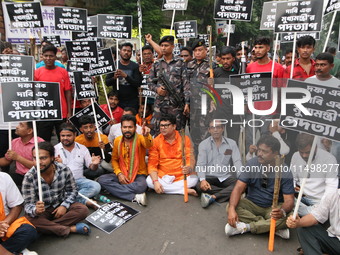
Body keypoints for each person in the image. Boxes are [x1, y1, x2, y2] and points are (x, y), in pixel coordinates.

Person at [226, 135, 294, 239]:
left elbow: (289, 201)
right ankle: (271, 227)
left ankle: (246, 227)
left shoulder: (285, 171)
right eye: (259, 150)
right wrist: (231, 209)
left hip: (272, 208)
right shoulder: (252, 163)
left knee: (290, 217)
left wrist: (282, 211)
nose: (259, 154)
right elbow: (239, 187)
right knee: (231, 206)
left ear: (276, 154)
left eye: (264, 152)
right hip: (252, 204)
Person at [22, 142, 90, 237]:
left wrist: (64, 206)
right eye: (35, 158)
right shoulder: (29, 177)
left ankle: (47, 228)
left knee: (82, 210)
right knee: (29, 218)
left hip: (60, 204)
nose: (39, 162)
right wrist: (36, 210)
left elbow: (72, 190)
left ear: (52, 158)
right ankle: (68, 229)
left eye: (43, 158)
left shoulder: (64, 169)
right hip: (43, 211)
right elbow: (28, 204)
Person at [97, 115, 153, 206]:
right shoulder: (117, 141)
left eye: (130, 127)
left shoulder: (140, 138)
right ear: (121, 128)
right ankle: (134, 197)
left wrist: (146, 135)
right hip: (122, 173)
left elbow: (148, 145)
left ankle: (114, 189)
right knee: (102, 180)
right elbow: (114, 160)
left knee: (141, 186)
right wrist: (119, 174)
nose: (127, 130)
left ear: (135, 128)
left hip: (139, 174)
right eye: (125, 127)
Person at [245, 37, 285, 150]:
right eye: (256, 47)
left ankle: (266, 166)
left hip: (269, 111)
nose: (257, 50)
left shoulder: (278, 68)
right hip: (251, 111)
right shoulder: (249, 67)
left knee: (266, 142)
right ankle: (251, 165)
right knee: (250, 142)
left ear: (268, 48)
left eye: (261, 47)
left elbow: (282, 90)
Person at [146, 114, 198, 195]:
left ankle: (165, 189)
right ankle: (182, 191)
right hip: (163, 175)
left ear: (174, 126)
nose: (163, 128)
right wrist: (156, 181)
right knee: (149, 181)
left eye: (166, 125)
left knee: (194, 179)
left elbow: (190, 157)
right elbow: (152, 164)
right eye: (161, 126)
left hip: (180, 175)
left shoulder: (184, 139)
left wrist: (189, 167)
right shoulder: (156, 141)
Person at [54, 123, 102, 209]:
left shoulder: (82, 148)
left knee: (96, 186)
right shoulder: (54, 150)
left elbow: (91, 168)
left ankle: (69, 200)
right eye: (62, 136)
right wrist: (59, 165)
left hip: (79, 181)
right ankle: (85, 201)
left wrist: (95, 164)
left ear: (75, 135)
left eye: (68, 135)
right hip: (63, 183)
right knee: (56, 192)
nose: (65, 138)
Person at [196, 120, 242, 208]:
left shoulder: (231, 143)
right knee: (198, 186)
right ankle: (232, 193)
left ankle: (213, 197)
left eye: (218, 127)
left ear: (223, 129)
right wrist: (202, 180)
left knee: (241, 183)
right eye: (213, 128)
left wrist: (241, 178)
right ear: (209, 130)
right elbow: (200, 164)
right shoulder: (203, 144)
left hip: (226, 177)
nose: (215, 130)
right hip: (210, 177)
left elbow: (237, 161)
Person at [291, 132, 338, 217]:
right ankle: (308, 214)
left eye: (308, 152)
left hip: (319, 200)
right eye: (301, 152)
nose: (304, 155)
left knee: (327, 208)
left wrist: (323, 207)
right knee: (284, 200)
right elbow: (292, 179)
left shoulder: (329, 159)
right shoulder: (295, 156)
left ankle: (305, 214)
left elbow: (331, 188)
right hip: (300, 197)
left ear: (315, 147)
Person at [147, 35, 187, 135]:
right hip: (160, 104)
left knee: (177, 131)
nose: (163, 48)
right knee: (158, 131)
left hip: (176, 104)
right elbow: (150, 82)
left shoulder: (180, 63)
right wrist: (157, 89)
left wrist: (187, 103)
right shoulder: (157, 64)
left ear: (173, 47)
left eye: (166, 45)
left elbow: (186, 84)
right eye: (162, 46)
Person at [286, 186, 340, 255]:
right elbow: (315, 216)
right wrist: (298, 223)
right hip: (334, 239)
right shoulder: (333, 195)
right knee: (304, 227)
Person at [34, 45, 72, 142]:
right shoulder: (37, 72)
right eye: (45, 56)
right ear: (42, 56)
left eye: (51, 56)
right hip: (44, 112)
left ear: (55, 56)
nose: (48, 58)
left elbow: (67, 91)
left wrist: (69, 111)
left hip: (61, 112)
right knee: (43, 140)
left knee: (64, 139)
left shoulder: (63, 72)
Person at [0, 172, 38, 255]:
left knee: (28, 231)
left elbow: (17, 206)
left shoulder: (3, 177)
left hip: (5, 225)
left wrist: (4, 225)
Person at [184, 39, 211, 152]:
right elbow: (186, 84)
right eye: (195, 51)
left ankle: (206, 157)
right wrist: (186, 102)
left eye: (200, 50)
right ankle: (196, 157)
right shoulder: (189, 65)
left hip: (206, 105)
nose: (198, 53)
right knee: (193, 132)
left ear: (206, 50)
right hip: (192, 105)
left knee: (205, 132)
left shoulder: (211, 65)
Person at [0, 122, 44, 188]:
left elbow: (39, 166)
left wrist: (18, 158)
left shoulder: (40, 143)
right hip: (20, 175)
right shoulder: (15, 142)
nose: (17, 127)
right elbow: (7, 160)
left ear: (29, 131)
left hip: (37, 176)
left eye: (21, 125)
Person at [213, 46, 241, 142]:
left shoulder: (239, 72)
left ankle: (230, 157)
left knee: (233, 140)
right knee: (218, 140)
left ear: (233, 58)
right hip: (219, 112)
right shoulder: (215, 73)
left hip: (234, 114)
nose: (225, 61)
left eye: (228, 59)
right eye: (223, 58)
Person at [105, 42, 142, 111]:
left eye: (128, 51)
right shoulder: (114, 65)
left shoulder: (135, 66)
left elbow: (137, 83)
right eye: (124, 50)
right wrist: (114, 78)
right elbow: (107, 83)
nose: (126, 52)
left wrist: (125, 76)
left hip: (132, 101)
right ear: (120, 52)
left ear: (131, 53)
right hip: (117, 100)